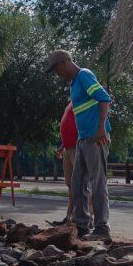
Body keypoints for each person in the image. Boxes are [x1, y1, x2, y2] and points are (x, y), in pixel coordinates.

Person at [46, 50, 112, 241]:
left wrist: (100, 127)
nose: (58, 74)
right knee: (77, 184)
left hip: (95, 137)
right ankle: (82, 226)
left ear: (65, 63)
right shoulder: (74, 84)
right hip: (82, 140)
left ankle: (102, 227)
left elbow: (104, 98)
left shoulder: (84, 75)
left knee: (97, 183)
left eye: (57, 69)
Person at [57, 100, 78, 223]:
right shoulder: (71, 103)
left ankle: (82, 218)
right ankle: (69, 216)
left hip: (77, 148)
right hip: (67, 148)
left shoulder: (85, 99)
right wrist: (61, 146)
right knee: (70, 185)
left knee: (80, 184)